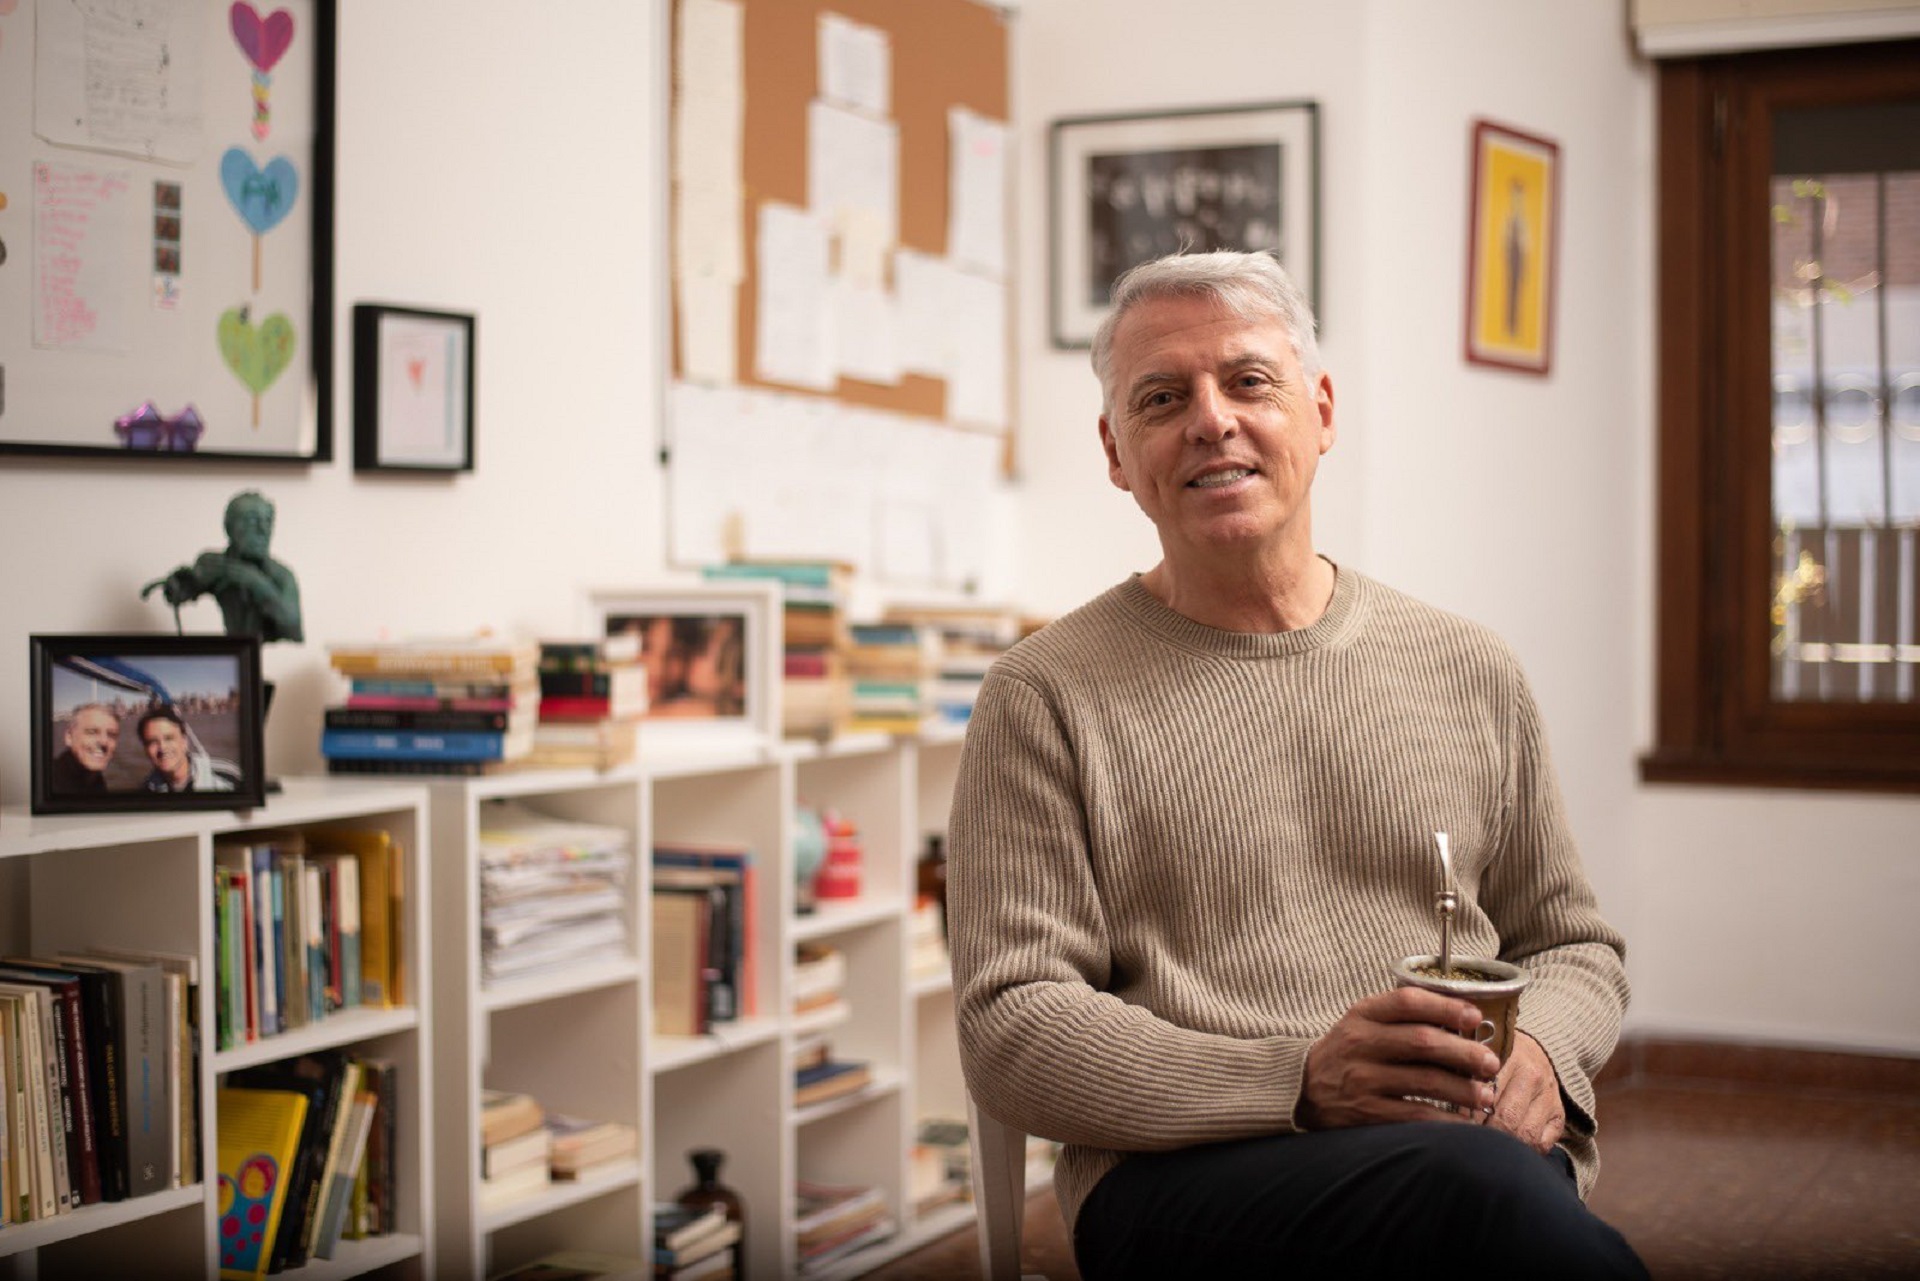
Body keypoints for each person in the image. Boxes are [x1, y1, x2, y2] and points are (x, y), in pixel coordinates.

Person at [947, 250, 1646, 1278]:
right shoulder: (1040, 697)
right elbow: (1011, 1025)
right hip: (1188, 1173)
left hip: (1467, 1144)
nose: (1211, 419)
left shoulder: (1467, 667)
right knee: (1482, 1208)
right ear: (1115, 451)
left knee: (1482, 1200)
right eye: (1160, 398)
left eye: (1248, 381)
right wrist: (1300, 1080)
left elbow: (1573, 945)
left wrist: (1540, 1049)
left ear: (1320, 411)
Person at [141, 490, 303, 641]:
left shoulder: (283, 576)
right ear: (230, 527)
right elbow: (187, 586)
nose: (263, 530)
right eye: (252, 520)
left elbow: (291, 625)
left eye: (267, 521)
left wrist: (255, 582)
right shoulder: (215, 564)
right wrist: (178, 585)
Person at [138, 705, 236, 793]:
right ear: (145, 749)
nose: (162, 748)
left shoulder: (228, 776)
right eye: (152, 742)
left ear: (184, 742)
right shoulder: (145, 790)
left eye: (169, 738)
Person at [49, 703, 119, 793]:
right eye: (92, 732)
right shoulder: (50, 782)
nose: (104, 741)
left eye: (112, 735)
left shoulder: (95, 779)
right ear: (69, 737)